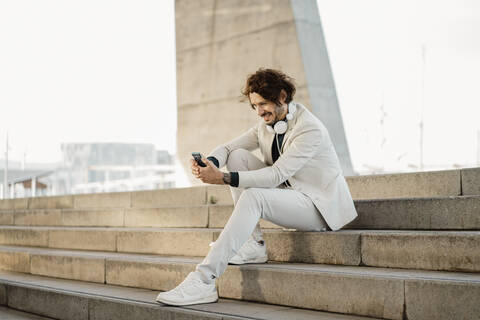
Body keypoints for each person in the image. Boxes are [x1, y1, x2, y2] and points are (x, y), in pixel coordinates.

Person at [155, 68, 357, 306]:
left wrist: (223, 178)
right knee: (239, 156)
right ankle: (255, 245)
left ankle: (203, 281)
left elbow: (276, 174)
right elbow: (229, 148)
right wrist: (211, 163)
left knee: (254, 197)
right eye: (255, 106)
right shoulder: (268, 125)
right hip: (290, 195)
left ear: (282, 97)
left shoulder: (309, 128)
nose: (260, 112)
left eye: (263, 104)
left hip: (318, 206)